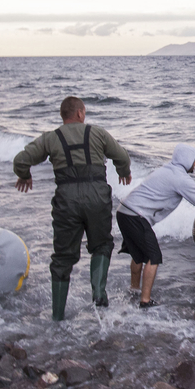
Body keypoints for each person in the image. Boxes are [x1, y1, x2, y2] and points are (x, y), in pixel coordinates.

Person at [13, 96, 132, 321]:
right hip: (97, 196)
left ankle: (57, 316)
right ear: (79, 114)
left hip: (66, 199)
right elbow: (122, 156)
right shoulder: (97, 133)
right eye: (84, 112)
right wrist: (123, 171)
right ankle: (98, 292)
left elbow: (20, 160)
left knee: (62, 258)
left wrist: (25, 175)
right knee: (102, 244)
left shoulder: (51, 138)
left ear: (63, 116)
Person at [116, 144, 195, 309]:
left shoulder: (167, 169)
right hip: (135, 215)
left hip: (124, 211)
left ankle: (134, 290)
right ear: (187, 160)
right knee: (153, 257)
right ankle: (145, 301)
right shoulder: (180, 178)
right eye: (194, 159)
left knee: (137, 253)